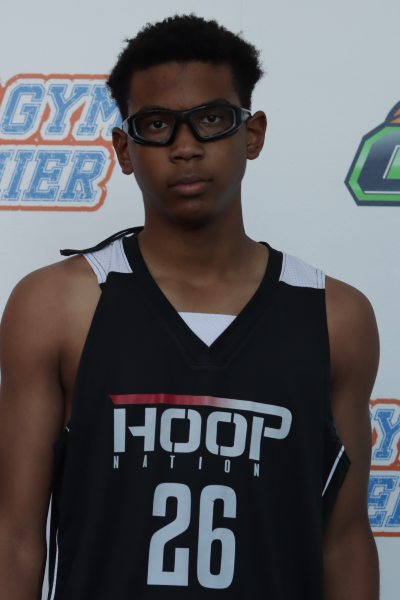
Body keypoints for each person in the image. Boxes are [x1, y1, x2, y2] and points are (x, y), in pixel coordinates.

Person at [0, 14, 379, 600]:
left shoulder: (336, 316)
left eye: (211, 119)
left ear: (252, 134)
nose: (184, 147)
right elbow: (17, 538)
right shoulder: (55, 305)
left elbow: (345, 540)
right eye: (157, 124)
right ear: (124, 149)